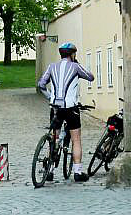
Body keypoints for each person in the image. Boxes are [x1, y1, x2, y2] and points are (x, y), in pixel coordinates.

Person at [37, 42, 94, 183]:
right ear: (73, 54)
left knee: (54, 137)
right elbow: (90, 77)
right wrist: (78, 65)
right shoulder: (75, 66)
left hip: (55, 107)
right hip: (70, 108)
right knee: (76, 139)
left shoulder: (52, 66)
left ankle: (49, 170)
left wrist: (50, 97)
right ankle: (77, 172)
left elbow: (41, 84)